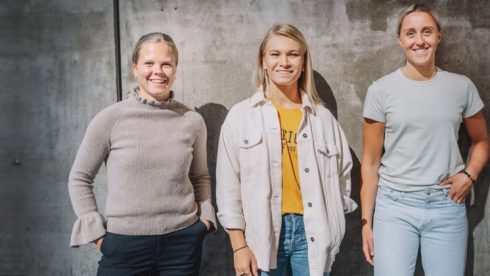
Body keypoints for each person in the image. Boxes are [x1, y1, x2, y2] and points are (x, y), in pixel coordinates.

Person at [68, 32, 216, 275]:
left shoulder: (192, 121)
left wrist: (205, 220)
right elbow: (80, 178)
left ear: (175, 69)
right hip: (124, 246)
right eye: (149, 63)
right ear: (135, 68)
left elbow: (200, 176)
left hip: (182, 244)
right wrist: (97, 234)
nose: (158, 71)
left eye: (166, 64)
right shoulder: (110, 118)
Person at [216, 24, 357, 276]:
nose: (284, 62)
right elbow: (228, 188)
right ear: (263, 61)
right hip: (262, 234)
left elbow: (343, 177)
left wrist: (333, 222)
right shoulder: (241, 116)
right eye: (275, 54)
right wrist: (239, 247)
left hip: (313, 233)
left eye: (293, 54)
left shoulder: (322, 119)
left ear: (303, 63)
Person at [361, 4, 489, 276]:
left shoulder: (461, 86)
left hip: (447, 205)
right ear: (400, 40)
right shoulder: (381, 90)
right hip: (394, 207)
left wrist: (470, 174)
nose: (419, 40)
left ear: (439, 36)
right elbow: (370, 162)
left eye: (427, 32)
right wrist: (366, 222)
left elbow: (481, 140)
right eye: (411, 33)